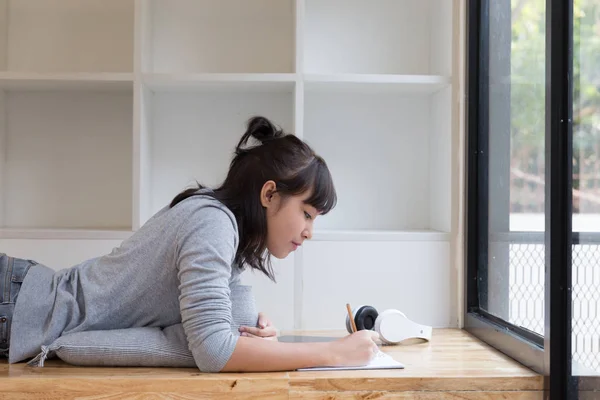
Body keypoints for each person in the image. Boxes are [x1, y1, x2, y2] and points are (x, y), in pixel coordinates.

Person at [0, 116, 380, 372]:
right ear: (269, 194)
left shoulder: (223, 231)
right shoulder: (212, 222)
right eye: (308, 214)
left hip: (19, 303)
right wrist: (332, 353)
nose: (310, 231)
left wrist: (254, 338)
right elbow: (213, 349)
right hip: (19, 304)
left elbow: (233, 325)